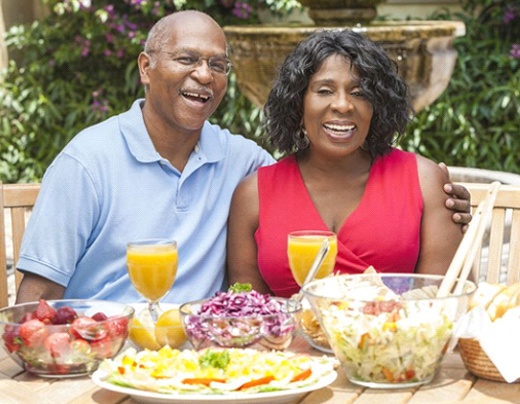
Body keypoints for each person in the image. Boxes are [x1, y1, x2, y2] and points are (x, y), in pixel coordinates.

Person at [16, 12, 470, 305]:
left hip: (209, 353)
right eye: (187, 59)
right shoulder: (87, 162)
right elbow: (35, 298)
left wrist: (447, 200)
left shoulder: (240, 161)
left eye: (217, 65)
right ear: (145, 68)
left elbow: (314, 173)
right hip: (104, 350)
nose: (203, 74)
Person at [227, 29, 465, 298]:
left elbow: (444, 301)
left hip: (397, 337)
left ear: (377, 105)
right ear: (297, 103)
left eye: (359, 92)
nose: (343, 105)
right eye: (325, 90)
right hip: (286, 340)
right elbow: (248, 313)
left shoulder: (424, 181)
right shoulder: (253, 195)